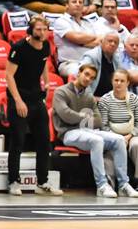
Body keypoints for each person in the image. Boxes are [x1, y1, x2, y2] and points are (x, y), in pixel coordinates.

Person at [6, 15, 64, 196]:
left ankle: (42, 182)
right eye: (39, 29)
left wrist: (46, 82)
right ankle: (13, 181)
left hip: (36, 98)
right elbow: (8, 76)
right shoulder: (19, 48)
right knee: (18, 141)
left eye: (45, 29)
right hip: (19, 97)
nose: (42, 32)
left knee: (44, 141)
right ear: (31, 30)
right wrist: (18, 101)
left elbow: (44, 62)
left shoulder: (46, 45)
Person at [51, 62, 127, 198]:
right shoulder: (61, 92)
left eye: (92, 78)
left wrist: (80, 117)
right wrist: (85, 116)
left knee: (119, 139)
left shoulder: (89, 96)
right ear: (78, 73)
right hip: (68, 133)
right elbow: (65, 115)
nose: (88, 79)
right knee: (97, 140)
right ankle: (102, 185)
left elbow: (98, 120)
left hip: (87, 131)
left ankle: (123, 185)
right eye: (86, 74)